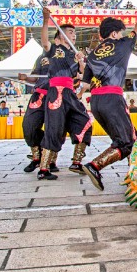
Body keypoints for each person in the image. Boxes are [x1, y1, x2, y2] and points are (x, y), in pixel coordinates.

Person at [78, 4, 137, 191]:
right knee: (126, 142)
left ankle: (136, 177)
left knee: (132, 137)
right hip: (112, 99)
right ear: (114, 34)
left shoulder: (92, 55)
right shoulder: (121, 44)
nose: (122, 35)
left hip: (96, 102)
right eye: (120, 32)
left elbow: (85, 84)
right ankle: (95, 166)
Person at [37, 9, 91, 181]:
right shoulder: (53, 48)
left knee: (85, 122)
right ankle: (44, 168)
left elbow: (84, 75)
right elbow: (44, 41)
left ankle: (76, 161)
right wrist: (46, 20)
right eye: (70, 32)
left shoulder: (74, 54)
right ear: (60, 36)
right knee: (54, 128)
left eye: (74, 33)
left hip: (70, 93)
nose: (73, 35)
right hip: (56, 92)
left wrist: (81, 61)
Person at [18, 52, 51, 173]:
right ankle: (37, 157)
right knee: (29, 126)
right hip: (39, 95)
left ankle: (50, 161)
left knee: (54, 128)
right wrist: (25, 77)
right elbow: (34, 77)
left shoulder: (69, 54)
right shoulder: (42, 57)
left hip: (57, 94)